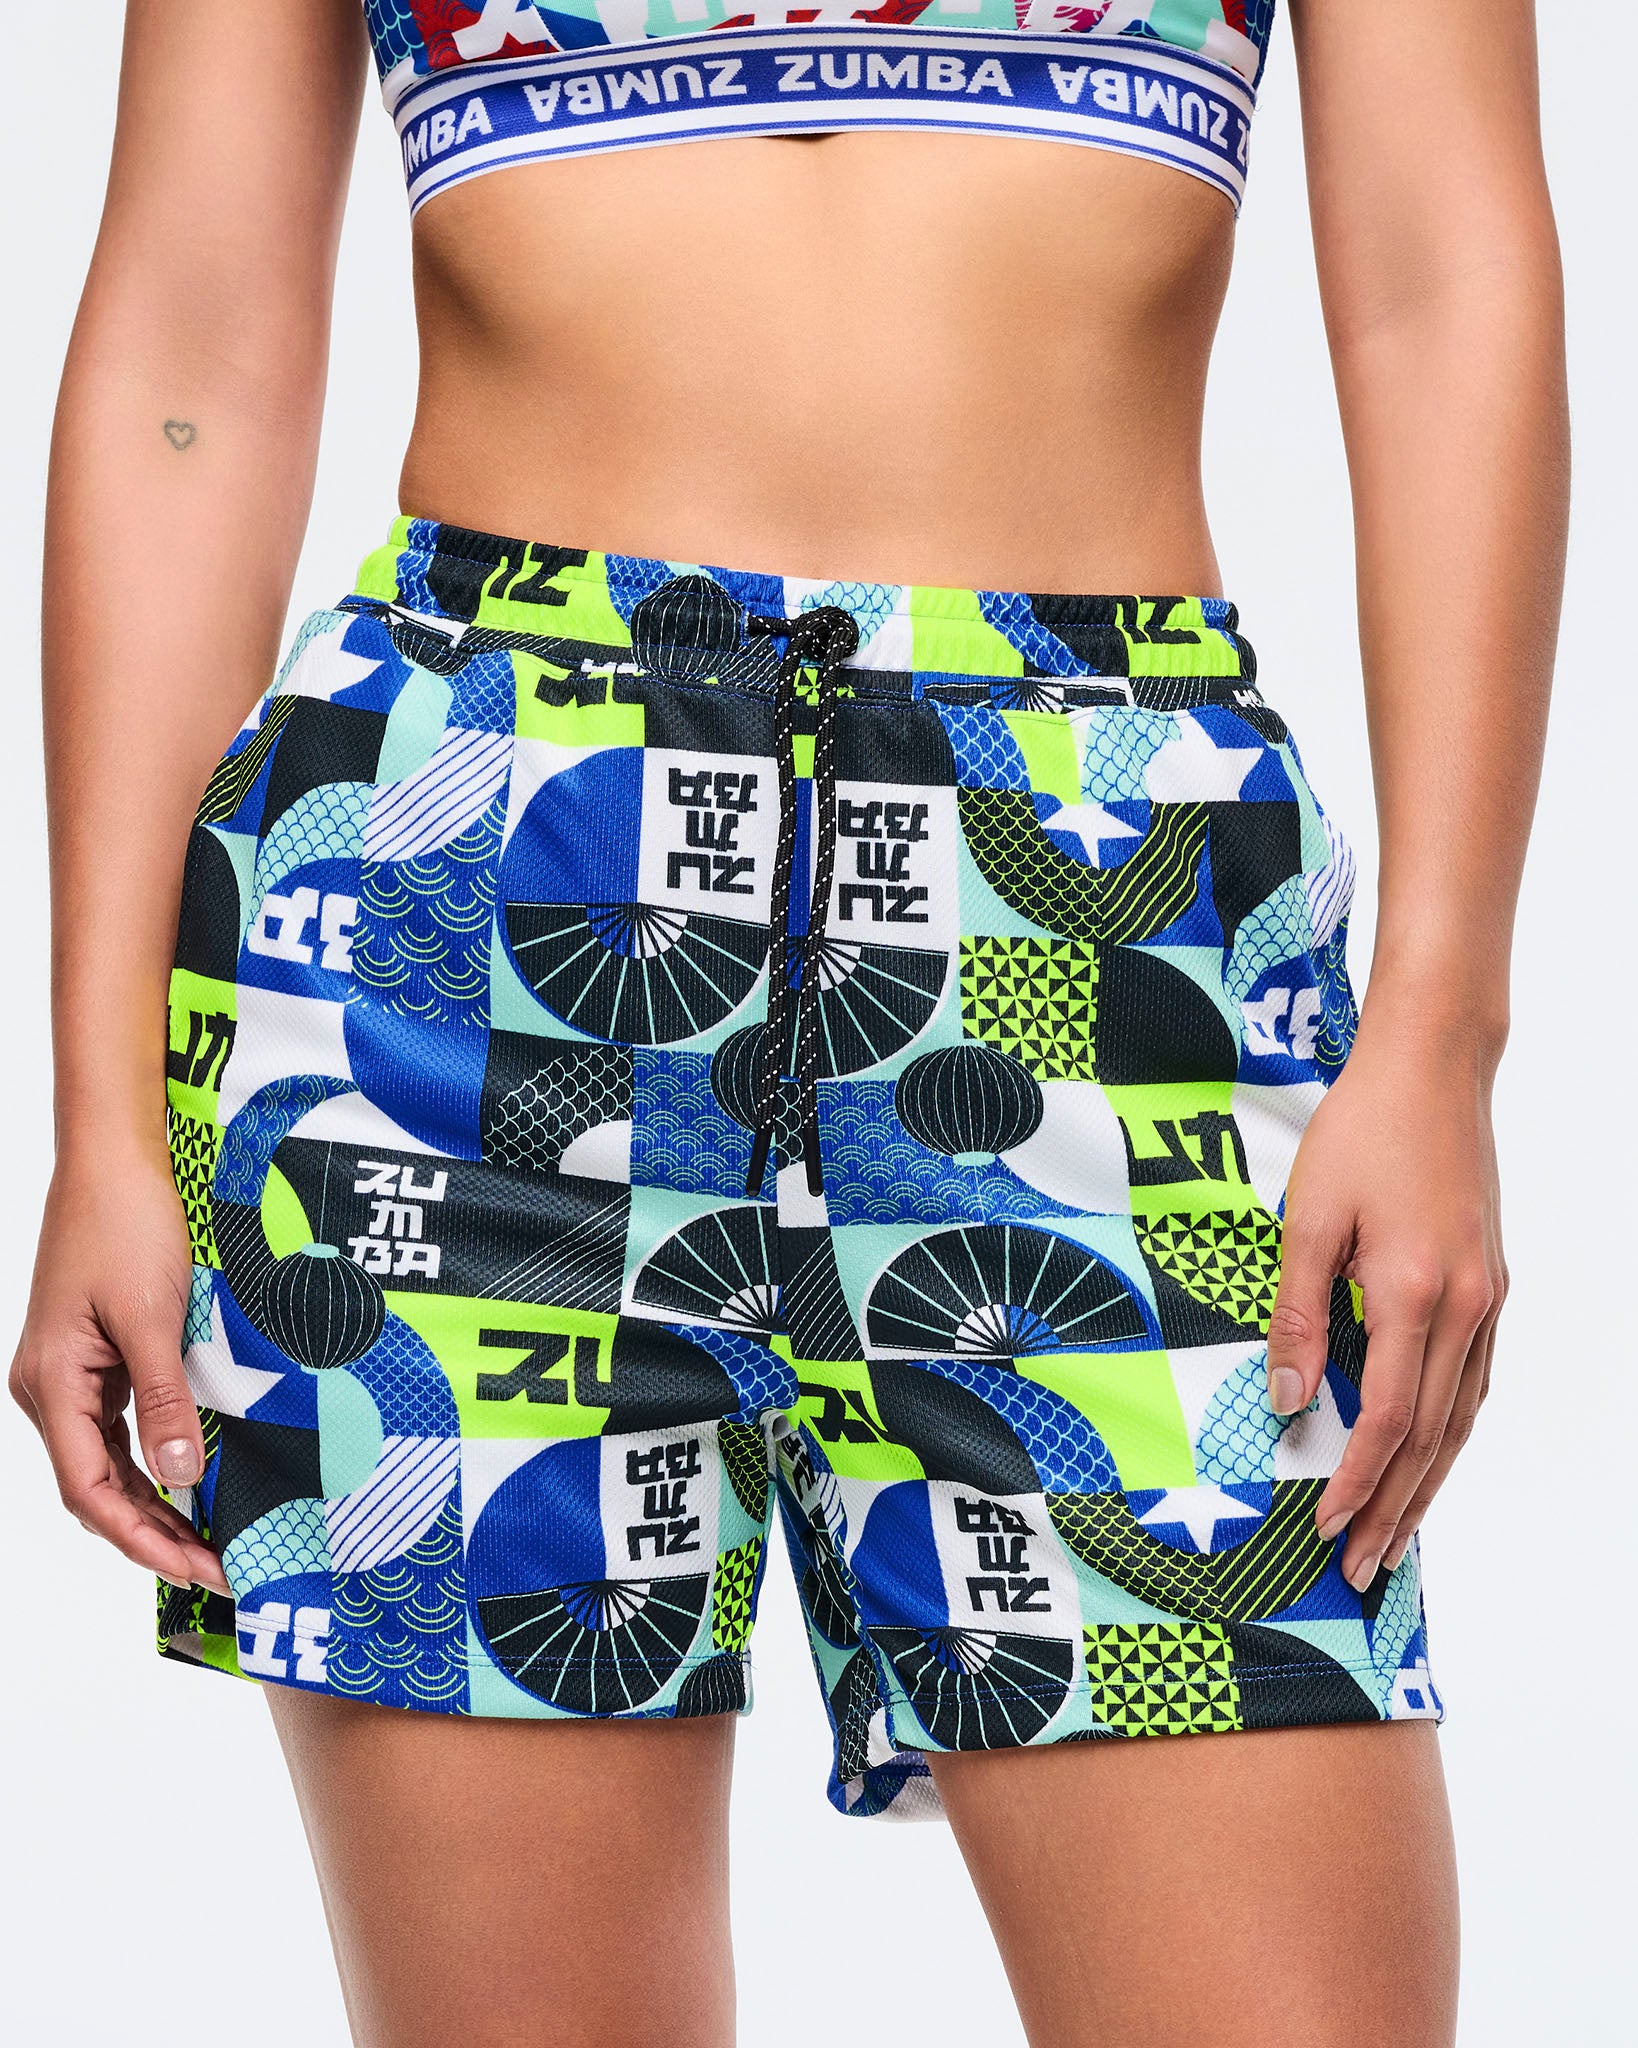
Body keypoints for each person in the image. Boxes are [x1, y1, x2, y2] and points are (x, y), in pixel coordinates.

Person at [11, 2, 1565, 2043]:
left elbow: (1446, 280)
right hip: (462, 890)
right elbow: (191, 346)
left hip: (1095, 879)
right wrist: (101, 1120)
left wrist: (1442, 1026)